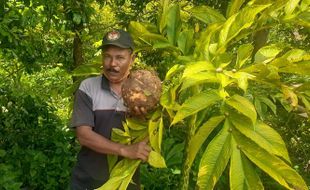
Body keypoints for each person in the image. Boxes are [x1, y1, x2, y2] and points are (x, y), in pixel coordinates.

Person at [70, 29, 151, 190]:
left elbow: (150, 138)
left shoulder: (144, 92)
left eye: (120, 57)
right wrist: (124, 150)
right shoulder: (88, 87)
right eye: (107, 56)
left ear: (132, 59)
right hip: (87, 181)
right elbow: (84, 135)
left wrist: (144, 118)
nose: (112, 64)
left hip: (126, 182)